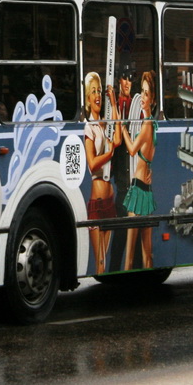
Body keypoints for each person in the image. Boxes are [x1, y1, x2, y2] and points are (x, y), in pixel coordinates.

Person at [83, 70, 121, 274]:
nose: (98, 95)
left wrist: (113, 102)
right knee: (99, 262)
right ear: (88, 98)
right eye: (93, 91)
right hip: (97, 204)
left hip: (109, 202)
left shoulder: (104, 125)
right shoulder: (89, 128)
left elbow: (119, 138)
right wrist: (110, 152)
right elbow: (92, 164)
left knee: (103, 262)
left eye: (99, 91)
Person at [119, 70, 158, 270]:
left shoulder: (146, 126)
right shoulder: (155, 126)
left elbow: (133, 150)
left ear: (152, 99)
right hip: (147, 192)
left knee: (129, 255)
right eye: (141, 92)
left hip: (137, 190)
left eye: (146, 94)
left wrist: (123, 129)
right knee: (147, 254)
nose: (142, 98)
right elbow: (149, 155)